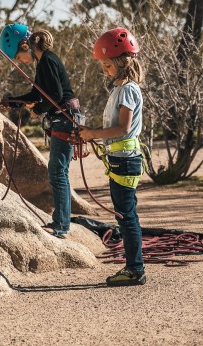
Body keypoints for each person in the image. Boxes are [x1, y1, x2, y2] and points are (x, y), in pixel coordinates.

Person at [0, 23, 81, 239]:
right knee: (58, 171)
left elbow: (54, 93)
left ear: (25, 45)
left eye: (17, 56)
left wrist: (39, 110)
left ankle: (61, 225)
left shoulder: (47, 60)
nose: (18, 61)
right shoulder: (43, 62)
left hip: (64, 118)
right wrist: (14, 102)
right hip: (62, 118)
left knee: (57, 172)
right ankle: (61, 223)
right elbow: (37, 94)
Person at [79, 28, 147, 286]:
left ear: (122, 63)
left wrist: (92, 134)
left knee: (126, 215)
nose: (105, 70)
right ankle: (134, 267)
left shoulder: (128, 89)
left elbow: (123, 128)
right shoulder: (118, 88)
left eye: (107, 65)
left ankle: (135, 269)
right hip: (119, 158)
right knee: (124, 213)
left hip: (126, 159)